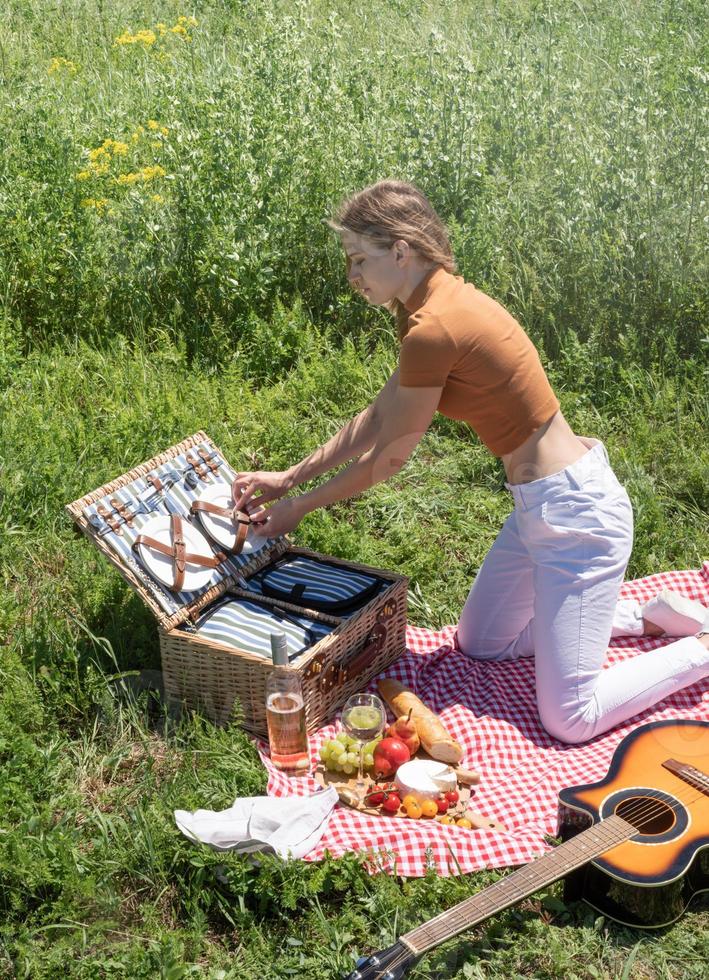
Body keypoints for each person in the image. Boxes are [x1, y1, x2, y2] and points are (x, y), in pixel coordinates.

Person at [232, 180, 709, 744]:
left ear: (402, 251)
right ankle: (647, 619)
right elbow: (381, 415)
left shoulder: (434, 326)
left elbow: (388, 459)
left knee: (570, 719)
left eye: (360, 259)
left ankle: (697, 650)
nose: (352, 276)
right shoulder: (433, 306)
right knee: (480, 642)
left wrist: (298, 508)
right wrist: (290, 478)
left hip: (578, 520)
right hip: (544, 508)